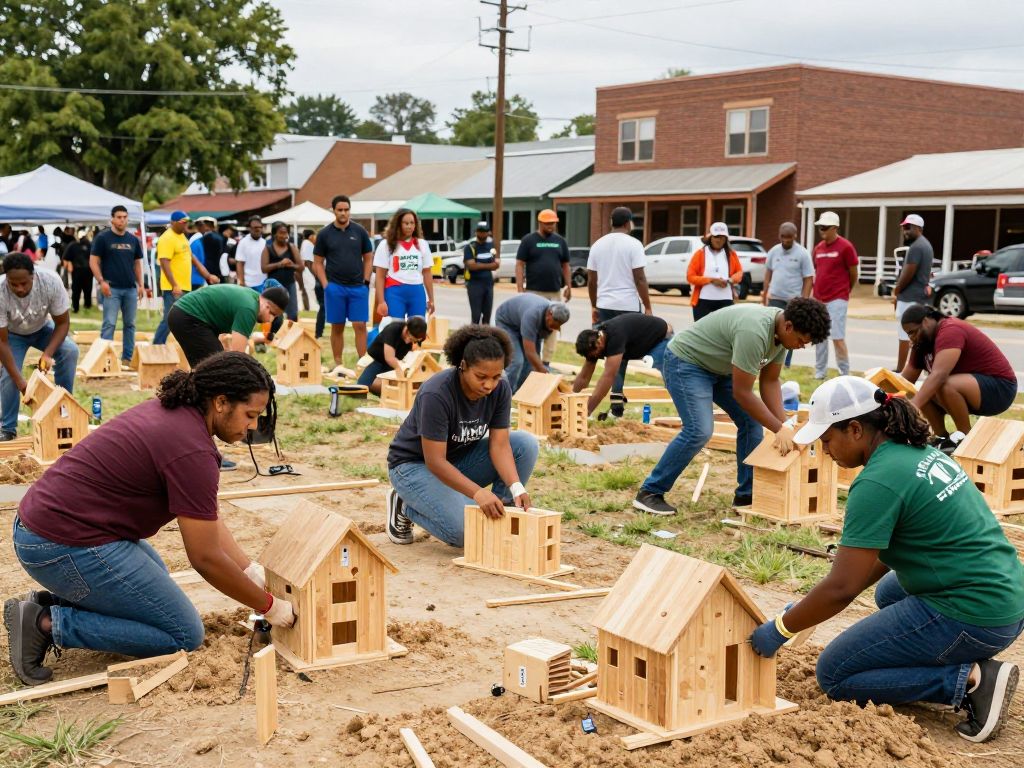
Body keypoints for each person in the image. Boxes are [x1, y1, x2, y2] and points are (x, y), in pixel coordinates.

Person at [749, 375, 1024, 744]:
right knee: (890, 593)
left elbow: (841, 588)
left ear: (855, 429)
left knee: (835, 674)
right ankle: (942, 653)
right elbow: (872, 560)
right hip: (1006, 593)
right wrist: (806, 609)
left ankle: (970, 678)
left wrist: (782, 627)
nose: (826, 451)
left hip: (976, 616)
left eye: (827, 439)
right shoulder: (919, 452)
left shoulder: (878, 482)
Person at [3, 352, 296, 685]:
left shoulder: (180, 416)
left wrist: (248, 569)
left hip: (58, 529)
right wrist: (269, 605)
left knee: (154, 591)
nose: (253, 426)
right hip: (58, 544)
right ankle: (46, 623)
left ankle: (47, 602)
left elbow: (206, 517)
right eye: (250, 415)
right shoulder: (191, 449)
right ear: (221, 401)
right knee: (182, 633)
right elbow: (205, 558)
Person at [633, 298, 831, 515]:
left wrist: (785, 424)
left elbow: (770, 381)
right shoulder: (754, 331)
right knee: (699, 430)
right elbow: (742, 392)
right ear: (789, 326)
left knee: (751, 422)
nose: (801, 346)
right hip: (687, 363)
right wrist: (777, 428)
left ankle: (746, 495)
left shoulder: (782, 334)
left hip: (721, 368)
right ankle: (650, 492)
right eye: (801, 341)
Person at [385, 325, 539, 547]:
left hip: (455, 461)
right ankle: (405, 504)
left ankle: (502, 509)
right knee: (466, 533)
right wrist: (477, 493)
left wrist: (516, 487)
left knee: (525, 444)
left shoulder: (500, 388)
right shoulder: (437, 393)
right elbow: (435, 461)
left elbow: (500, 445)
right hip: (413, 466)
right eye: (481, 376)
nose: (489, 385)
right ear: (463, 366)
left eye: (496, 376)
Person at [899, 304, 1016, 452]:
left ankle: (964, 435)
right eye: (908, 334)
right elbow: (904, 382)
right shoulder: (921, 342)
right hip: (970, 390)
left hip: (1000, 388)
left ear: (926, 321)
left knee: (941, 383)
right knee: (918, 390)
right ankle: (941, 438)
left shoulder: (950, 330)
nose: (912, 338)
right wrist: (883, 402)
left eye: (913, 332)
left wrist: (912, 407)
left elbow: (939, 375)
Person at [0, 253, 79, 442]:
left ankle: (62, 413)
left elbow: (62, 324)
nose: (19, 288)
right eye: (14, 284)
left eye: (24, 283)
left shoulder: (50, 281)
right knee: (9, 374)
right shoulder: (0, 291)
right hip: (11, 334)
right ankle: (8, 427)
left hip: (43, 328)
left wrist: (48, 354)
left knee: (70, 351)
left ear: (33, 275)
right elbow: (1, 342)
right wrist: (21, 383)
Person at [313, 195, 374, 366]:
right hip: (335, 288)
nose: (343, 213)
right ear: (333, 210)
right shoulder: (324, 234)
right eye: (340, 210)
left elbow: (368, 258)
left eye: (346, 210)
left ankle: (363, 363)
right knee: (337, 326)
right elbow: (317, 263)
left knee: (360, 325)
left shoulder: (360, 231)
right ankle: (338, 364)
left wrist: (366, 282)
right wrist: (326, 286)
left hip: (358, 288)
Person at [573, 313, 672, 416]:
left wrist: (586, 412)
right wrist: (570, 402)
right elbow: (584, 377)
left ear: (599, 342)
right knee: (616, 362)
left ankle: (687, 419)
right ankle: (616, 407)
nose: (594, 357)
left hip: (659, 339)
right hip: (638, 343)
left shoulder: (615, 337)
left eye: (594, 354)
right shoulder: (594, 343)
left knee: (672, 381)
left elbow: (608, 377)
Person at [168, 283, 288, 365]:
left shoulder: (253, 298)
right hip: (188, 317)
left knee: (212, 365)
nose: (271, 320)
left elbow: (229, 345)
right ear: (267, 306)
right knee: (215, 367)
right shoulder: (249, 309)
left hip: (189, 316)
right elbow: (238, 355)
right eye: (273, 315)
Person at [90, 205, 145, 367]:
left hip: (130, 288)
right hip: (111, 288)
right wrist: (101, 281)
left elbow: (137, 264)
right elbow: (93, 261)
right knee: (109, 324)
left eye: (125, 217)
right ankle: (105, 359)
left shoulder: (133, 240)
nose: (122, 220)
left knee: (130, 324)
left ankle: (127, 358)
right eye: (119, 217)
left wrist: (141, 285)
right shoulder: (103, 238)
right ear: (112, 219)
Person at [153, 212, 219, 345]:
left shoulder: (182, 237)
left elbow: (193, 259)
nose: (186, 225)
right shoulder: (167, 238)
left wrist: (208, 276)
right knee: (169, 319)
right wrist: (174, 285)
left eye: (187, 222)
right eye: (183, 222)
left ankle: (187, 345)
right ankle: (157, 345)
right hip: (173, 288)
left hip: (185, 286)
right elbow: (164, 262)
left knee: (185, 318)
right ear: (173, 222)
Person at [516, 209, 570, 366]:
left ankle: (546, 362)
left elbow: (565, 265)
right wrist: (520, 289)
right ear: (540, 223)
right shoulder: (528, 240)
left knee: (554, 325)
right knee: (533, 324)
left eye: (552, 223)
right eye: (547, 223)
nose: (550, 226)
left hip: (554, 291)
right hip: (534, 292)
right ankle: (531, 359)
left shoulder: (560, 241)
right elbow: (520, 264)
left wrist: (569, 286)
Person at [811, 211, 858, 379]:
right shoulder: (818, 248)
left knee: (837, 337)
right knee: (820, 337)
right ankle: (820, 372)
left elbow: (853, 273)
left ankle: (844, 372)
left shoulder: (846, 247)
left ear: (835, 228)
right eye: (820, 227)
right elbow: (816, 271)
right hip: (819, 298)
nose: (822, 230)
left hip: (838, 297)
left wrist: (846, 290)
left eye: (825, 227)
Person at [587, 207, 652, 325]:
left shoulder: (597, 245)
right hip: (628, 305)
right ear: (628, 223)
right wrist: (647, 307)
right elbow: (640, 279)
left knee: (605, 342)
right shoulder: (635, 244)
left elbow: (591, 281)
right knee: (630, 342)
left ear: (611, 222)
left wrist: (594, 306)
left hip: (604, 305)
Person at [762, 221, 814, 367]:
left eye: (789, 237)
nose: (785, 240)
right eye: (783, 237)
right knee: (772, 331)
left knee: (790, 333)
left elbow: (808, 278)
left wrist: (803, 300)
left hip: (793, 300)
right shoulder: (773, 251)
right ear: (779, 235)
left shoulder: (802, 253)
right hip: (775, 298)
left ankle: (785, 363)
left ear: (795, 236)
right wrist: (765, 295)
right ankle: (768, 361)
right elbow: (768, 274)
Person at [494, 293, 570, 390]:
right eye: (553, 325)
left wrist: (540, 367)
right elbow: (530, 352)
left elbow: (533, 357)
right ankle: (503, 394)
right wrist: (545, 372)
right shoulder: (533, 314)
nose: (553, 329)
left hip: (522, 323)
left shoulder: (549, 320)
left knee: (530, 365)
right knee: (516, 361)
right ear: (549, 314)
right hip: (507, 322)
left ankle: (520, 393)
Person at [373, 208, 434, 321]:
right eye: (406, 223)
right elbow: (380, 276)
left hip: (417, 292)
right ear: (397, 224)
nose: (409, 226)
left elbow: (427, 273)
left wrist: (431, 299)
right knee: (395, 329)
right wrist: (381, 301)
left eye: (412, 223)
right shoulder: (386, 245)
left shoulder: (422, 244)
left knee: (417, 330)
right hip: (394, 292)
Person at [893, 214, 934, 372]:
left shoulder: (916, 247)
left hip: (909, 297)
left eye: (908, 227)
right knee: (919, 336)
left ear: (918, 228)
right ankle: (922, 368)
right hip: (918, 297)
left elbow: (907, 274)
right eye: (904, 227)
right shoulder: (926, 245)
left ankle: (900, 370)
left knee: (904, 335)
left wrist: (897, 291)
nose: (905, 230)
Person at [357, 316, 428, 395]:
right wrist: (398, 369)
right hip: (376, 360)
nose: (408, 341)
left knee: (393, 390)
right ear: (407, 328)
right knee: (362, 386)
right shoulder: (393, 329)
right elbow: (389, 357)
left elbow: (416, 352)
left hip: (392, 364)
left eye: (412, 340)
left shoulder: (418, 337)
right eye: (409, 338)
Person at [687, 222, 743, 322]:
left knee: (724, 333)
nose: (719, 240)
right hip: (702, 301)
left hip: (726, 301)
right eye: (716, 236)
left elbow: (739, 273)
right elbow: (690, 277)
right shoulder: (700, 254)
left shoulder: (731, 254)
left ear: (726, 239)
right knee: (702, 332)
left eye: (722, 237)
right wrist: (711, 280)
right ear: (711, 237)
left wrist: (729, 280)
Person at [260, 221, 303, 323]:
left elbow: (301, 267)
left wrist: (291, 265)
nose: (284, 236)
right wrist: (279, 264)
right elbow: (264, 268)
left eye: (286, 233)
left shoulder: (292, 248)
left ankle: (291, 336)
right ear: (274, 234)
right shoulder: (268, 249)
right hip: (273, 287)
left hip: (289, 284)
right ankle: (271, 336)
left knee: (292, 313)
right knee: (273, 314)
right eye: (281, 233)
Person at [464, 221, 497, 324]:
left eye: (485, 231)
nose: (482, 234)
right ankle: (474, 338)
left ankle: (485, 338)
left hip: (488, 284)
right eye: (480, 231)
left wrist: (479, 265)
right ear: (476, 232)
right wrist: (489, 266)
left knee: (487, 316)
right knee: (476, 316)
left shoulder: (491, 246)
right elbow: (471, 266)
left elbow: (496, 265)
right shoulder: (470, 247)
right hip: (474, 285)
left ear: (489, 232)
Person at [62, 230, 93, 312]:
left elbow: (65, 258)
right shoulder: (89, 244)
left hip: (79, 271)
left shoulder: (74, 245)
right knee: (85, 289)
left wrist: (68, 267)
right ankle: (86, 306)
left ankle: (77, 307)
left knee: (77, 289)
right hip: (85, 271)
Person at [234, 216, 267, 291]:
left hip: (263, 283)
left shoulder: (265, 243)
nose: (258, 229)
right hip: (248, 284)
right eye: (255, 227)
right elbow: (239, 263)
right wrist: (241, 282)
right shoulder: (243, 242)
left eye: (260, 227)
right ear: (249, 228)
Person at [298, 228, 316, 313]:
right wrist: (313, 273)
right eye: (314, 235)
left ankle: (307, 307)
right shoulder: (307, 244)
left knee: (307, 288)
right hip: (307, 269)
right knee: (310, 288)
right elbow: (307, 260)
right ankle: (310, 307)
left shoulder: (305, 243)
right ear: (310, 236)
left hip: (306, 269)